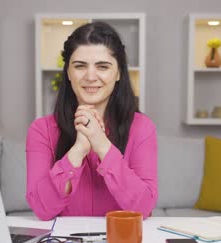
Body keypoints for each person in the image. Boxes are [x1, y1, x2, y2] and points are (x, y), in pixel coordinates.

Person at [26, 22, 157, 221]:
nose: (90, 76)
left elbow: (144, 207)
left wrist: (102, 144)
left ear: (119, 73)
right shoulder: (41, 130)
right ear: (68, 73)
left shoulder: (142, 127)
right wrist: (78, 150)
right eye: (80, 66)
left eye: (102, 66)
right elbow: (42, 209)